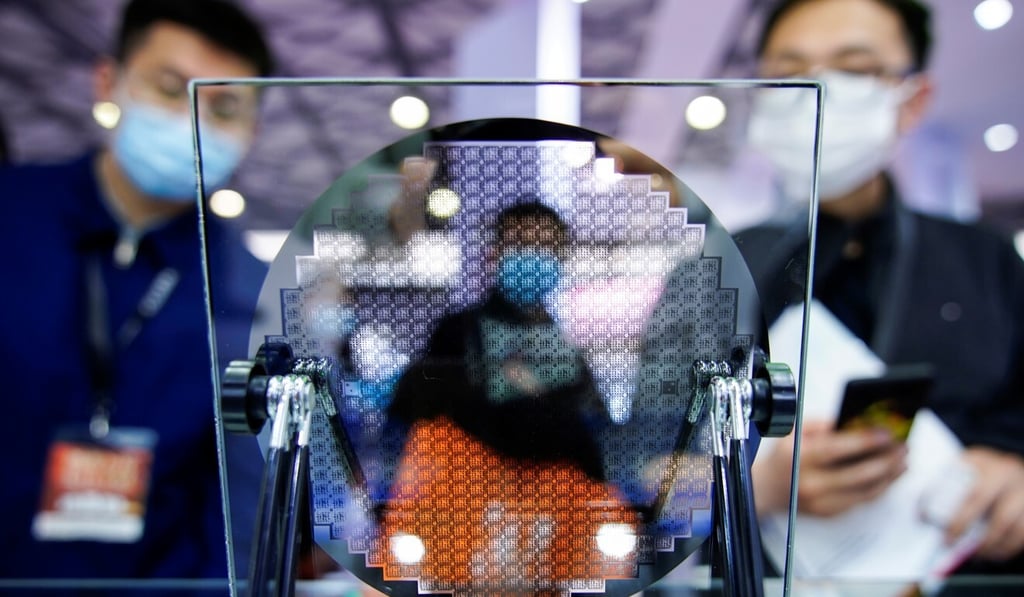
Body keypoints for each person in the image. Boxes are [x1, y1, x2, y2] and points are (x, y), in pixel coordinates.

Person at [739, 0, 1024, 575]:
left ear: (911, 98)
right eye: (789, 71)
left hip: (967, 572)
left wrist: (1016, 469)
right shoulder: (723, 262)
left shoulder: (983, 257)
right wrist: (756, 484)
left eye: (854, 68)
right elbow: (647, 457)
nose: (816, 90)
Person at [0, 0, 272, 587]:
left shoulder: (248, 294)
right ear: (109, 82)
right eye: (171, 89)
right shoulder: (12, 218)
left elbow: (242, 508)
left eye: (224, 108)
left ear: (251, 129)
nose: (192, 122)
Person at [374, 200, 640, 591]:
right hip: (461, 525)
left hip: (550, 531)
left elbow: (596, 438)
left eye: (547, 247)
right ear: (494, 253)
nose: (534, 256)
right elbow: (411, 426)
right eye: (521, 244)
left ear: (562, 258)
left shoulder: (566, 347)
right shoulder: (454, 333)